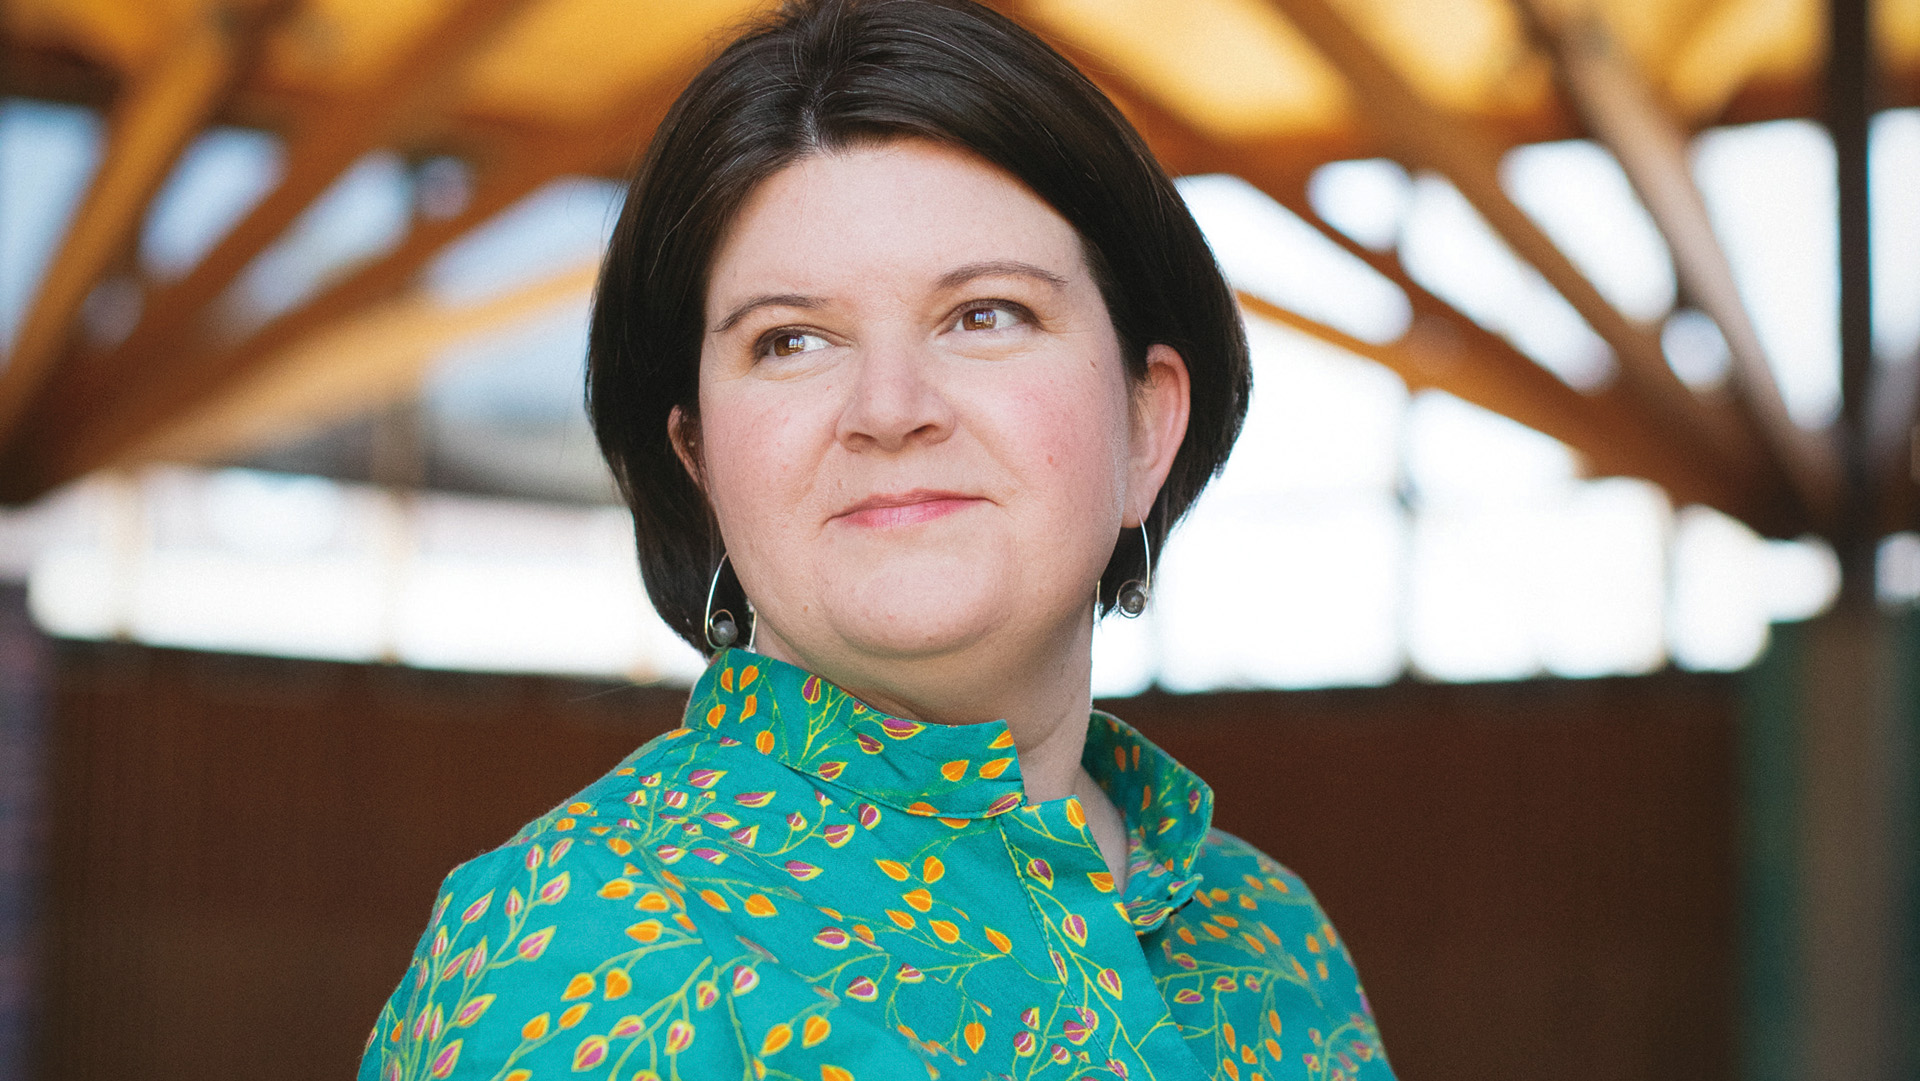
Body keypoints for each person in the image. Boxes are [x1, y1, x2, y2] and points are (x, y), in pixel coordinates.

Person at [360, 1, 1394, 1078]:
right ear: (700, 458)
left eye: (985, 315)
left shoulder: (1274, 939)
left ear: (1145, 426)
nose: (890, 406)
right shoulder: (566, 945)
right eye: (792, 339)